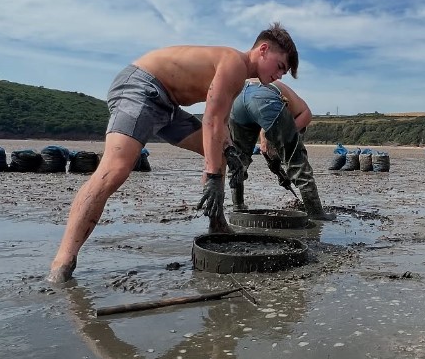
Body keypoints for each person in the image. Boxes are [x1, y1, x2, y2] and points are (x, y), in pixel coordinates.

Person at [47, 23, 299, 283]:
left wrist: (229, 153)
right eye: (280, 66)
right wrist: (213, 179)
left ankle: (216, 223)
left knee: (220, 154)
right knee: (116, 169)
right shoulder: (234, 62)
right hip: (142, 88)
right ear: (264, 50)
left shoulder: (239, 77)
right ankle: (63, 261)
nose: (280, 75)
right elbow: (211, 120)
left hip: (168, 105)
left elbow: (220, 124)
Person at [229, 78, 335, 220]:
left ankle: (238, 206)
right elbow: (284, 140)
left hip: (237, 97)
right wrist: (282, 155)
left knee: (239, 159)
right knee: (296, 158)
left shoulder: (284, 105)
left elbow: (266, 144)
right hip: (263, 97)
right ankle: (316, 213)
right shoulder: (305, 113)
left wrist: (278, 170)